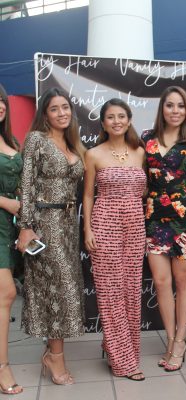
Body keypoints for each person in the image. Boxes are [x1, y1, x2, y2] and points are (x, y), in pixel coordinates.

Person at [16, 87, 86, 385]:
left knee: (59, 288)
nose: (62, 113)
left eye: (65, 107)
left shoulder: (72, 143)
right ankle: (55, 358)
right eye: (55, 108)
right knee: (62, 289)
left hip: (69, 226)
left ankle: (52, 352)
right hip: (44, 224)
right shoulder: (37, 139)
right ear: (45, 114)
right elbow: (26, 183)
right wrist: (26, 226)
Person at [143, 86, 186, 372]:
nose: (175, 110)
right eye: (170, 105)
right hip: (154, 219)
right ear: (162, 108)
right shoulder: (146, 138)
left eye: (180, 105)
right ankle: (170, 339)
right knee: (161, 282)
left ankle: (181, 341)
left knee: (183, 282)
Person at [83, 98, 146, 381]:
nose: (116, 121)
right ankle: (123, 362)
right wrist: (88, 230)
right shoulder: (93, 154)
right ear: (103, 123)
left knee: (131, 290)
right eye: (111, 117)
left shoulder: (140, 152)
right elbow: (88, 195)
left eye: (121, 116)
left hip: (135, 227)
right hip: (105, 224)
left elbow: (144, 192)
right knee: (110, 291)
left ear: (129, 120)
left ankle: (117, 348)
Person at [0, 84, 23, 395]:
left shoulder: (12, 141)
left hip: (10, 228)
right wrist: (7, 202)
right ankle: (2, 367)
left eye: (1, 101)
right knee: (6, 293)